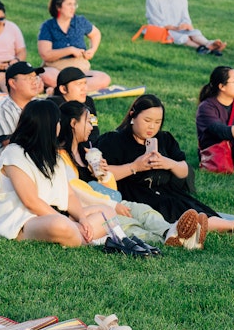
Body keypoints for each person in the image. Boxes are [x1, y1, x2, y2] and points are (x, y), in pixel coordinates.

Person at [98, 94, 234, 237]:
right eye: (147, 121)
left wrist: (167, 163)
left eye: (157, 122)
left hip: (166, 191)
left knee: (194, 208)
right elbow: (101, 175)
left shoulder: (164, 138)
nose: (152, 127)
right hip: (136, 194)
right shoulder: (113, 140)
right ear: (133, 115)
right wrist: (134, 166)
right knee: (179, 214)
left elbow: (184, 171)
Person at [58, 100, 200, 250]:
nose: (91, 127)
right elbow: (77, 193)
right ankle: (173, 238)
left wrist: (104, 175)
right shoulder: (61, 158)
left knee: (144, 212)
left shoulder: (86, 152)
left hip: (109, 201)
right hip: (91, 209)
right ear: (74, 123)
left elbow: (108, 188)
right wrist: (112, 205)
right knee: (128, 224)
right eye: (88, 122)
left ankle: (170, 231)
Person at [0, 100, 117, 246]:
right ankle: (83, 236)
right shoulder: (13, 153)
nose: (59, 126)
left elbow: (69, 195)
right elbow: (31, 202)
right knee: (60, 225)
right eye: (57, 122)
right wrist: (67, 222)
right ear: (48, 125)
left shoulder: (54, 156)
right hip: (24, 221)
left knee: (108, 213)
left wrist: (82, 219)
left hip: (57, 215)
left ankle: (77, 234)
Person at [37, 0, 110, 91]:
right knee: (44, 75)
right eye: (69, 4)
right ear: (58, 7)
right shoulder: (48, 26)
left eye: (74, 4)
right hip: (56, 69)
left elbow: (96, 34)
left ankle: (65, 89)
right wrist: (69, 50)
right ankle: (76, 89)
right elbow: (45, 54)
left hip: (80, 69)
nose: (73, 8)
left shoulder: (80, 22)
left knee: (104, 78)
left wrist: (92, 50)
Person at [0, 61, 44, 184]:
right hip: (5, 175)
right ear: (13, 83)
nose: (35, 82)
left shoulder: (39, 104)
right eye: (28, 78)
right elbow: (12, 145)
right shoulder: (2, 110)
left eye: (35, 77)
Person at [48, 67, 101, 144]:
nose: (84, 88)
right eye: (79, 84)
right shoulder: (53, 105)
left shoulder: (88, 101)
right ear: (63, 89)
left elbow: (94, 131)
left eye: (85, 83)